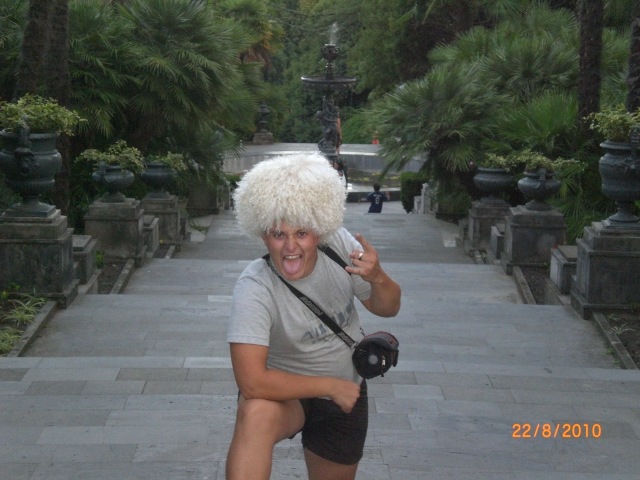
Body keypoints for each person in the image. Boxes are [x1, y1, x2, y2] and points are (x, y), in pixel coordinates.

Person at [226, 153, 401, 480]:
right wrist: (329, 386)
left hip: (344, 397)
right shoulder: (255, 287)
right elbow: (251, 382)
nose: (290, 247)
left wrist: (378, 277)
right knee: (255, 413)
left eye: (302, 233)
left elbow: (389, 308)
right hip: (286, 397)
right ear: (263, 234)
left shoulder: (338, 247)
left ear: (319, 231)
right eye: (279, 234)